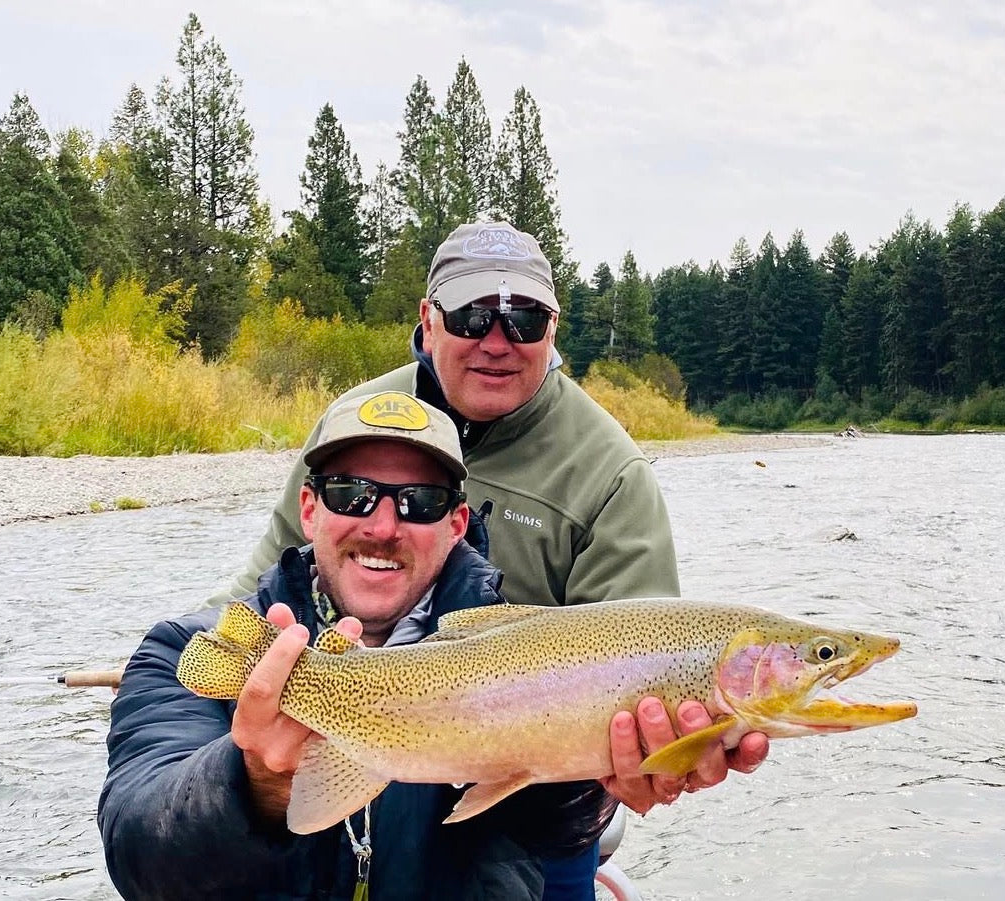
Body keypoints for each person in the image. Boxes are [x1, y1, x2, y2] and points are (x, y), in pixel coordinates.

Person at [209, 222, 768, 896]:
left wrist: (653, 766)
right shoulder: (356, 425)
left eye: (524, 320)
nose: (497, 341)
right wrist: (195, 671)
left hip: (534, 818)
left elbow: (649, 664)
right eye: (473, 315)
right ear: (428, 319)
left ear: (554, 330)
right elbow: (251, 603)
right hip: (352, 755)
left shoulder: (610, 472)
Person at [100, 391, 612, 899]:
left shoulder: (522, 661)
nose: (383, 527)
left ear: (456, 525)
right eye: (351, 493)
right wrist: (253, 783)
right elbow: (139, 858)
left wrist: (599, 780)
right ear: (308, 509)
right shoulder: (190, 649)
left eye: (420, 502)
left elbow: (555, 833)